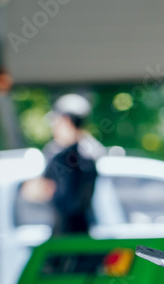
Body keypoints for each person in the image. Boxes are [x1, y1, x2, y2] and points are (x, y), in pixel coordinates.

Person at [24, 94, 105, 235]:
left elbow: (40, 190)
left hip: (63, 234)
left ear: (66, 121)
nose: (54, 127)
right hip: (87, 232)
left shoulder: (63, 156)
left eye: (56, 121)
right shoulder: (92, 151)